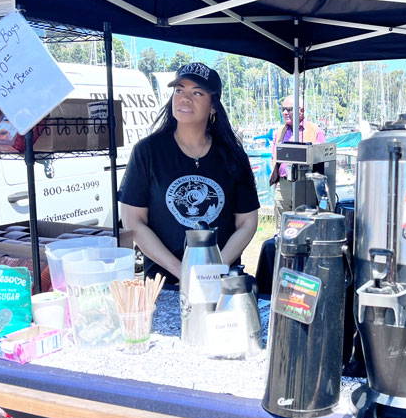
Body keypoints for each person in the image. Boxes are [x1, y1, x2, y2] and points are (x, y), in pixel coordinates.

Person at [119, 62, 259, 284]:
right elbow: (133, 221)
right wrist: (182, 271)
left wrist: (216, 268)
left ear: (213, 105)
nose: (185, 98)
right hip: (163, 284)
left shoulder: (233, 156)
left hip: (221, 282)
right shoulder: (147, 152)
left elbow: (247, 222)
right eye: (179, 90)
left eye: (197, 92)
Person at [269, 95, 326, 226]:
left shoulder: (315, 130)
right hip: (283, 185)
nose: (284, 112)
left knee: (303, 223)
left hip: (305, 185)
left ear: (301, 110)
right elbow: (274, 156)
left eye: (289, 109)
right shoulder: (280, 132)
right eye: (283, 109)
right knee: (281, 225)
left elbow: (322, 159)